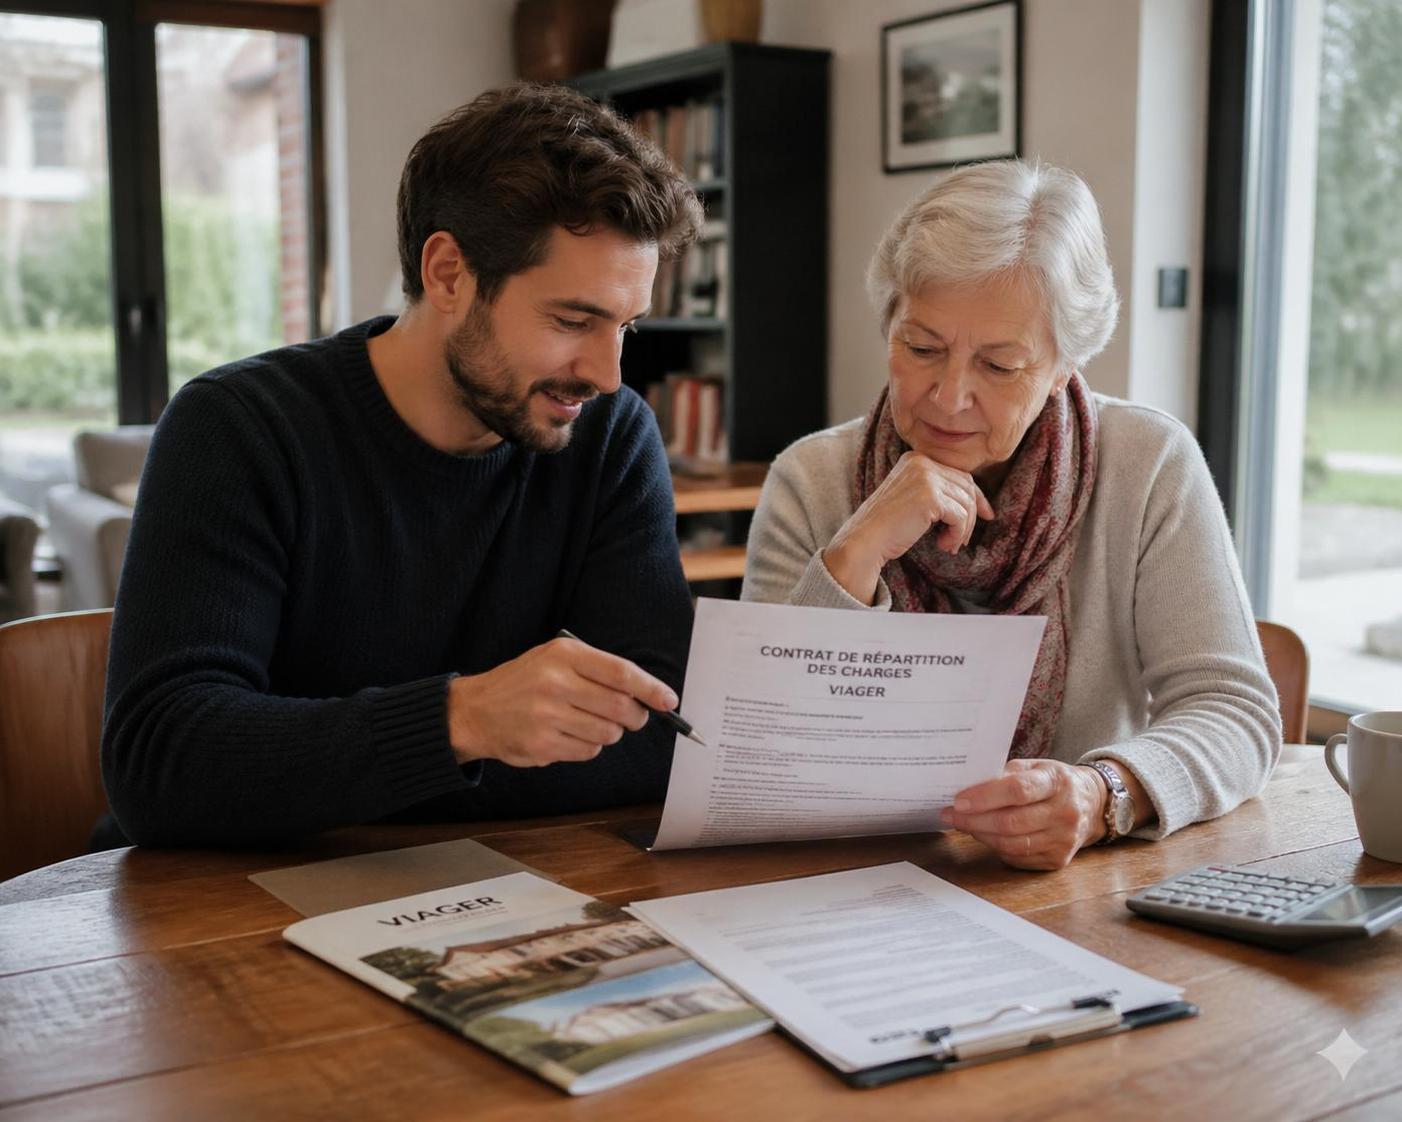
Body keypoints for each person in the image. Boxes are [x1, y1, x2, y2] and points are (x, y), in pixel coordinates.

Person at [99, 84, 704, 847]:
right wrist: (462, 722)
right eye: (572, 320)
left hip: (491, 885)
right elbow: (161, 764)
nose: (608, 375)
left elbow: (662, 740)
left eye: (626, 326)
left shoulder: (610, 438)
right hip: (227, 897)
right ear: (448, 273)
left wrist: (328, 775)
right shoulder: (239, 429)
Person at [742, 160, 1282, 870]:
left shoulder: (1148, 464)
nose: (949, 396)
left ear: (1063, 367)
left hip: (1075, 882)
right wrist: (856, 552)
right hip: (842, 871)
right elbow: (754, 746)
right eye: (922, 348)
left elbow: (1234, 712)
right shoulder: (810, 479)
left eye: (998, 366)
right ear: (889, 326)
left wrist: (1102, 794)